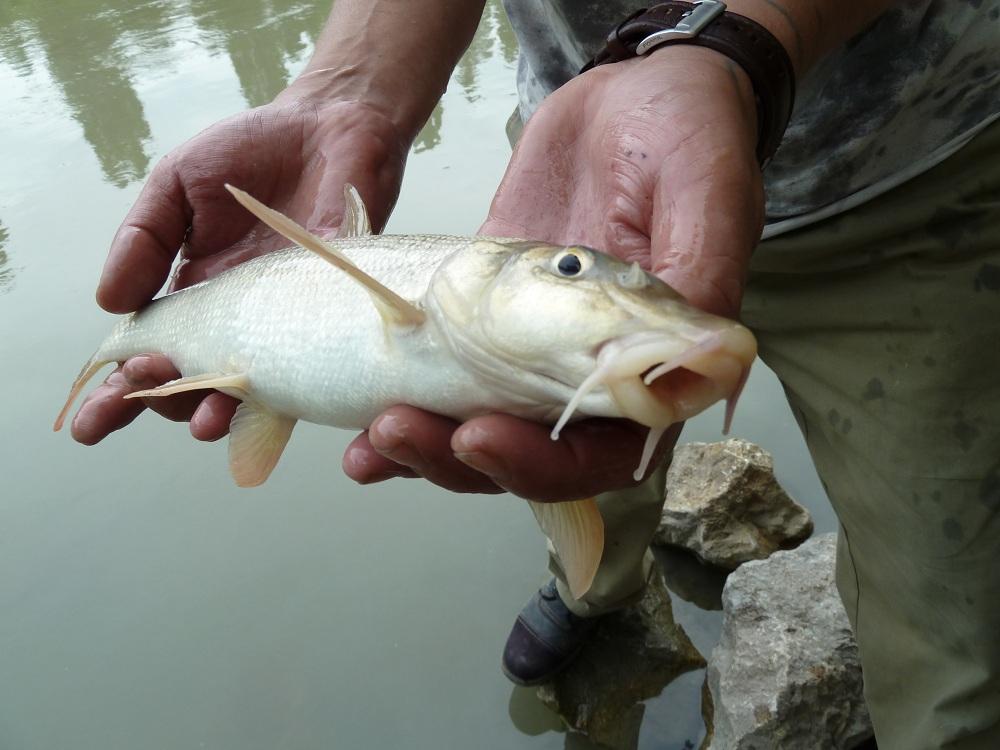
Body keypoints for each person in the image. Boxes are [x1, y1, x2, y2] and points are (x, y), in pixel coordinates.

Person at [68, 1, 1000, 747]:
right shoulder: (513, 279)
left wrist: (746, 46)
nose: (569, 278)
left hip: (921, 180)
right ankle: (592, 590)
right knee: (562, 444)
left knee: (958, 625)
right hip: (584, 168)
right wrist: (350, 93)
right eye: (565, 273)